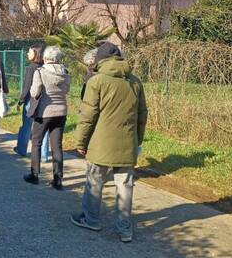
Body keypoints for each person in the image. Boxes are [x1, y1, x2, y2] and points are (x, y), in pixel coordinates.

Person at [71, 42, 148, 243]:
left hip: (100, 143)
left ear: (100, 60)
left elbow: (88, 115)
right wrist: (137, 140)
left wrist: (81, 142)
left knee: (95, 181)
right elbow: (142, 115)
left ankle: (92, 219)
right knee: (125, 185)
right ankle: (124, 229)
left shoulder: (96, 82)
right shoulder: (135, 82)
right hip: (127, 142)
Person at [24, 46, 70, 190]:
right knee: (57, 145)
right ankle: (58, 179)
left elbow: (34, 92)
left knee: (36, 142)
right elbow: (67, 90)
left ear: (45, 58)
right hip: (61, 111)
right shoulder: (66, 72)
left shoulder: (40, 72)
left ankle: (34, 174)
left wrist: (36, 94)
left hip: (44, 112)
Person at [13, 46, 48, 158]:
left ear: (35, 54)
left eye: (29, 52)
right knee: (44, 128)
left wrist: (21, 101)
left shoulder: (31, 68)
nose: (27, 54)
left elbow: (27, 86)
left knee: (26, 126)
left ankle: (21, 149)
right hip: (44, 101)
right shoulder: (45, 67)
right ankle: (44, 155)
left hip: (31, 101)